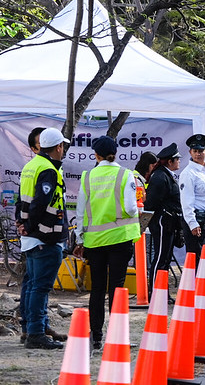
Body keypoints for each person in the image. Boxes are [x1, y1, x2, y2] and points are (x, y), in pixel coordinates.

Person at [73, 136, 140, 350]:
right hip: (120, 239)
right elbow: (130, 208)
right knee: (117, 289)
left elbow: (80, 211)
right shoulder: (125, 174)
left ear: (96, 155)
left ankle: (96, 336)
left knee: (97, 289)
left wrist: (79, 239)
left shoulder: (87, 177)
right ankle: (117, 336)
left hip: (95, 242)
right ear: (115, 153)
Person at [15, 127, 69, 349]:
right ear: (58, 147)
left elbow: (22, 200)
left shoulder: (30, 166)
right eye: (62, 146)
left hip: (33, 237)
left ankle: (32, 328)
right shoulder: (48, 170)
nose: (63, 149)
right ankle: (36, 332)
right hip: (44, 237)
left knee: (31, 284)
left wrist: (22, 223)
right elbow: (40, 202)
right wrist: (29, 225)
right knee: (39, 287)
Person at [144, 143, 182, 299]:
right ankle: (155, 292)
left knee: (165, 259)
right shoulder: (160, 176)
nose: (179, 161)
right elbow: (152, 202)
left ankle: (162, 293)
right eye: (177, 159)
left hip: (169, 222)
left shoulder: (166, 175)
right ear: (170, 161)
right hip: (162, 221)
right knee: (160, 258)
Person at [179, 134, 205, 257]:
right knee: (196, 259)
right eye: (195, 151)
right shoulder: (188, 173)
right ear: (190, 152)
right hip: (197, 220)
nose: (198, 154)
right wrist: (193, 223)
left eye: (201, 151)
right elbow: (186, 202)